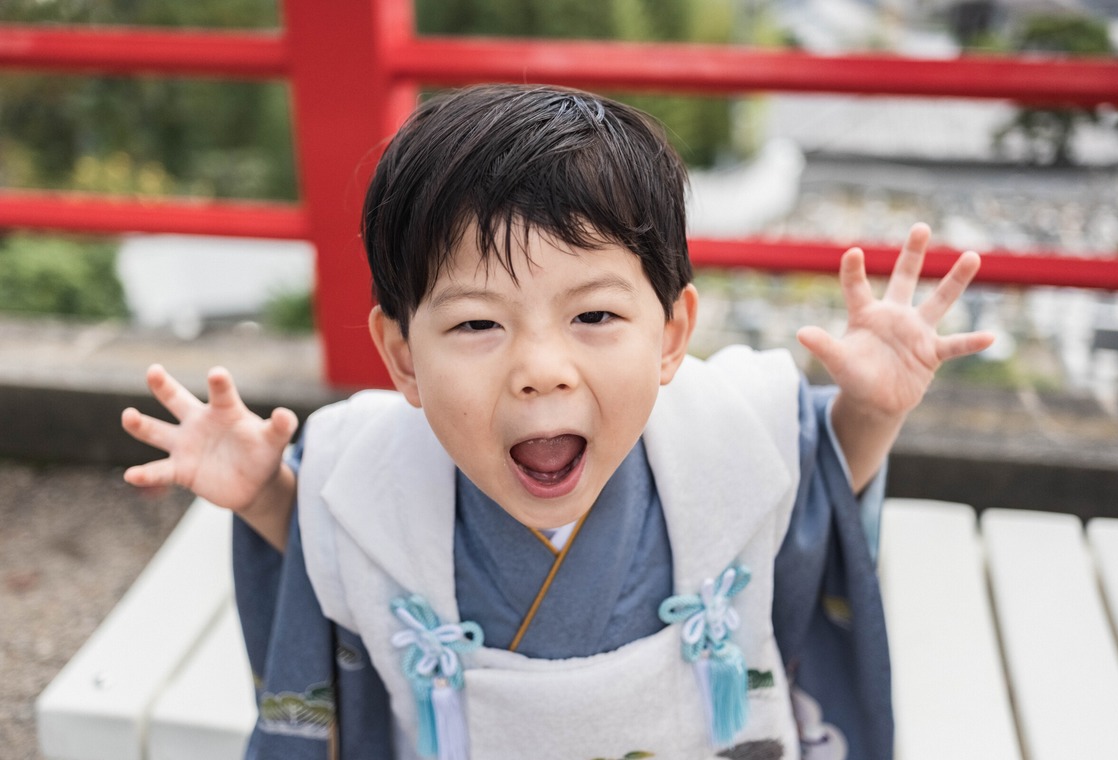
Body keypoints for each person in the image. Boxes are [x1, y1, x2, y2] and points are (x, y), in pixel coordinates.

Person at [121, 84, 992, 760]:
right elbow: (335, 541)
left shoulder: (732, 437)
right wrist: (268, 494)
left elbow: (814, 501)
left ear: (672, 335)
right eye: (475, 325)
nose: (540, 370)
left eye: (595, 317)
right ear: (400, 356)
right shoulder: (365, 473)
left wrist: (871, 411)